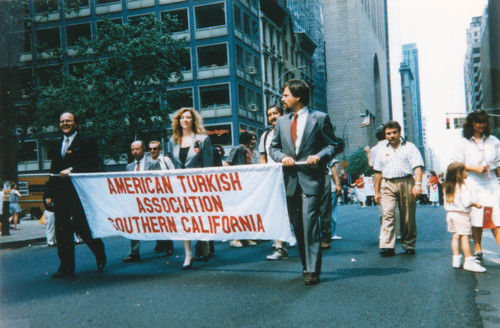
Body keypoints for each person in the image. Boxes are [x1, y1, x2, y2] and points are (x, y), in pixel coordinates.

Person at [270, 79, 340, 285]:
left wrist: (319, 156)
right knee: (298, 226)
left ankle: (312, 269)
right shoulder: (282, 122)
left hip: (312, 179)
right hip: (290, 181)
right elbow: (274, 148)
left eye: (285, 95)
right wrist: (282, 157)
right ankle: (305, 263)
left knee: (310, 224)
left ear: (298, 97)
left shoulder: (319, 118)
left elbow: (333, 145)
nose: (282, 99)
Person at [45, 112, 106, 279]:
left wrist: (72, 170)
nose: (65, 123)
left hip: (80, 192)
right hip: (61, 193)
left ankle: (99, 251)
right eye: (62, 121)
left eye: (68, 121)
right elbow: (53, 170)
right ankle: (66, 267)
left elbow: (94, 163)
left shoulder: (87, 140)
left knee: (81, 225)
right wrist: (48, 193)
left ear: (76, 124)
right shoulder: (57, 144)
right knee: (62, 230)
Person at [168, 107, 213, 270]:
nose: (185, 120)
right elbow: (174, 165)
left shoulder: (203, 139)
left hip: (198, 185)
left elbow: (208, 165)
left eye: (188, 117)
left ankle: (204, 241)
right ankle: (188, 254)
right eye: (182, 118)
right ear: (178, 121)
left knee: (200, 217)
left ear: (193, 120)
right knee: (184, 218)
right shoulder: (173, 141)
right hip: (180, 185)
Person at [451, 110, 500, 261]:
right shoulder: (462, 142)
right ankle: (478, 247)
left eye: (483, 122)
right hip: (471, 182)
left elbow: (499, 163)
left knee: (496, 217)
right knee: (476, 216)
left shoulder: (494, 141)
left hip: (490, 182)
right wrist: (474, 168)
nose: (481, 125)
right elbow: (456, 165)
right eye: (478, 122)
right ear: (471, 124)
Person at [374, 121, 424, 257]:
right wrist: (376, 191)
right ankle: (387, 246)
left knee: (407, 216)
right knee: (388, 214)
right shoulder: (381, 150)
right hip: (388, 184)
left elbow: (417, 166)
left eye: (394, 132)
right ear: (385, 135)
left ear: (399, 132)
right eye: (388, 133)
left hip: (406, 182)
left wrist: (418, 184)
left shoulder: (410, 147)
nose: (392, 136)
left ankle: (409, 244)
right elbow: (377, 172)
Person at [123, 140, 165, 263]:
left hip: (150, 199)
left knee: (157, 223)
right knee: (134, 224)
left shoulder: (153, 163)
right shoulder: (129, 167)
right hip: (135, 200)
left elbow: (158, 182)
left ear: (144, 150)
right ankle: (134, 253)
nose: (135, 152)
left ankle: (166, 243)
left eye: (137, 149)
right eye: (133, 150)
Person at [259, 105, 289, 260]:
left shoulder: (289, 131)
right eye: (269, 114)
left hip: (290, 175)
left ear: (282, 114)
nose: (272, 116)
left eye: (275, 113)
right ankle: (280, 247)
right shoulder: (264, 136)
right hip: (273, 178)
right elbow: (262, 157)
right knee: (276, 211)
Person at [444, 162, 486, 272]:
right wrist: (476, 204)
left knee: (455, 235)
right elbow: (466, 202)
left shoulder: (447, 186)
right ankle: (468, 260)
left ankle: (456, 259)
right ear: (459, 173)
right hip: (461, 215)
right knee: (465, 237)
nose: (466, 172)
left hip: (450, 214)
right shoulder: (463, 186)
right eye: (464, 170)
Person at [227, 131, 259, 248]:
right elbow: (227, 163)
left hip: (247, 184)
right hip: (237, 183)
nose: (252, 141)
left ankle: (245, 237)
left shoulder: (249, 151)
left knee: (246, 211)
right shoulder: (237, 149)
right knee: (238, 211)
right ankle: (236, 238)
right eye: (251, 138)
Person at [147, 140, 175, 256]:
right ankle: (160, 243)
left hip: (165, 193)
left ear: (160, 150)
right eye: (151, 149)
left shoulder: (165, 160)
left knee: (165, 220)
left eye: (155, 149)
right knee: (156, 220)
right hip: (152, 194)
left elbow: (173, 173)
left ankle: (169, 245)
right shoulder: (147, 162)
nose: (153, 151)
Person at [320, 159, 343, 249]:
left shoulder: (326, 151)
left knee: (326, 212)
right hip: (314, 185)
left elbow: (332, 170)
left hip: (329, 188)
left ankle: (326, 236)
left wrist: (337, 184)